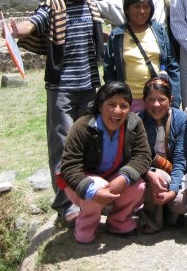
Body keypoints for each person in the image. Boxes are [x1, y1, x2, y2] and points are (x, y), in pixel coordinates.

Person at [7, 0, 103, 225]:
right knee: (62, 145)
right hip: (62, 86)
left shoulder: (92, 6)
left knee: (89, 144)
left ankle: (88, 197)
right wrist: (17, 30)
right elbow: (34, 23)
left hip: (89, 86)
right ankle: (65, 204)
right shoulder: (53, 5)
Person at [59, 81, 151, 244]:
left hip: (115, 176)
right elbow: (70, 166)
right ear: (100, 106)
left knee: (138, 186)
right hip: (83, 181)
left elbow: (142, 155)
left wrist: (124, 178)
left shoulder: (134, 124)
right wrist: (92, 191)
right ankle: (86, 226)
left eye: (124, 106)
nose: (117, 111)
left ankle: (118, 221)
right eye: (111, 104)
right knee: (95, 186)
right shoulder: (82, 127)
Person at [104, 0, 181, 112]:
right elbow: (109, 70)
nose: (142, 11)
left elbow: (172, 66)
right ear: (128, 9)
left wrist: (175, 100)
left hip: (157, 100)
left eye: (146, 7)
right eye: (137, 7)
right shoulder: (117, 35)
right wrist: (116, 97)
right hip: (129, 101)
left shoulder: (159, 31)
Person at [138, 76, 187, 234]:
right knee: (157, 177)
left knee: (179, 202)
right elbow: (136, 156)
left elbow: (180, 159)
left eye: (161, 99)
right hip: (152, 171)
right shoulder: (138, 120)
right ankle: (153, 221)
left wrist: (173, 191)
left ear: (171, 99)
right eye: (151, 99)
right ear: (144, 100)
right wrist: (148, 173)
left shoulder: (180, 119)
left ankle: (170, 214)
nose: (156, 104)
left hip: (175, 171)